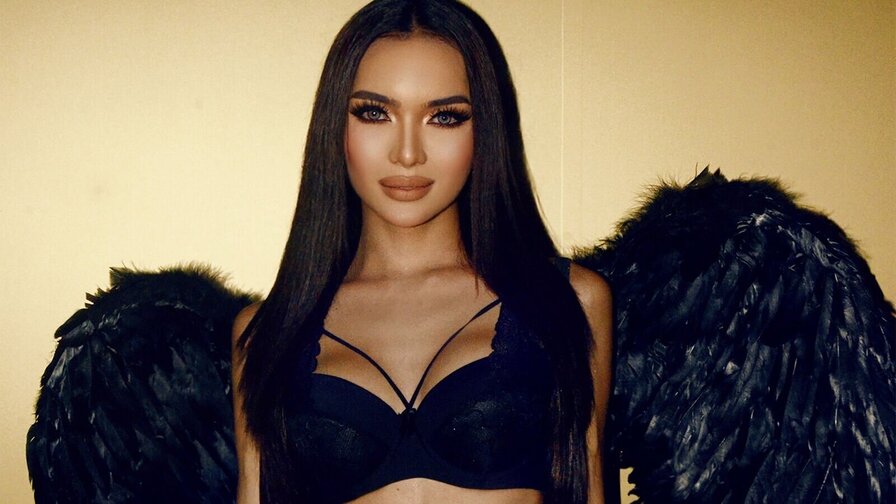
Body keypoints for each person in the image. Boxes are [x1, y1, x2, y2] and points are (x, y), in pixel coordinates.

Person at [230, 0, 612, 502]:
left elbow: (588, 484)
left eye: (444, 117)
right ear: (334, 128)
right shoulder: (267, 334)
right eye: (375, 113)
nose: (407, 153)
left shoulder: (570, 299)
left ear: (484, 130)